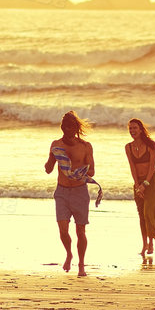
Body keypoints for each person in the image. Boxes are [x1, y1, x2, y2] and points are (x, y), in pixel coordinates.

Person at [44, 111, 100, 276]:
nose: (67, 130)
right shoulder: (56, 144)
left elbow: (93, 171)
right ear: (62, 128)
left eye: (71, 127)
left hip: (79, 192)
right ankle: (69, 253)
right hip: (61, 191)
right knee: (62, 229)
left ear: (76, 128)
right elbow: (48, 169)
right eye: (65, 127)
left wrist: (76, 171)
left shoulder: (85, 146)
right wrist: (52, 158)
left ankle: (81, 264)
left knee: (80, 231)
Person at [125, 118, 155, 263]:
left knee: (148, 211)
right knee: (141, 214)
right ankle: (144, 244)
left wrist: (144, 184)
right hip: (138, 183)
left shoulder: (151, 145)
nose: (132, 131)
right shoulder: (128, 147)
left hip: (152, 182)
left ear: (141, 130)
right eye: (130, 129)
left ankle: (151, 242)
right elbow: (132, 167)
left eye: (135, 128)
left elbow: (152, 167)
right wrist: (136, 185)